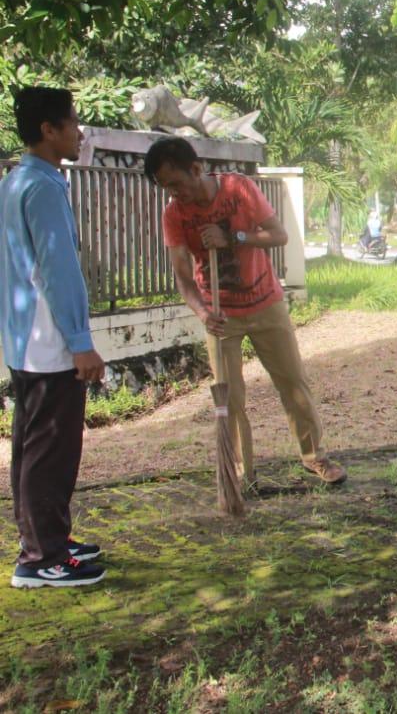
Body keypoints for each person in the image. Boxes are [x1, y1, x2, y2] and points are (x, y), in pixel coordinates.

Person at [143, 137, 346, 486]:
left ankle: (315, 456)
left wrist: (234, 238)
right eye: (166, 188)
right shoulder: (174, 215)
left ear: (196, 169)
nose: (174, 194)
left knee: (293, 382)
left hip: (266, 303)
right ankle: (241, 473)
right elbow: (183, 278)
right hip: (220, 316)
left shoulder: (238, 188)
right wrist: (203, 313)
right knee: (230, 399)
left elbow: (279, 235)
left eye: (176, 183)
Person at [3, 87, 107, 588]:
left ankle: (46, 541)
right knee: (52, 450)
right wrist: (80, 341)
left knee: (31, 445)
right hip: (49, 341)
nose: (79, 132)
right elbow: (57, 270)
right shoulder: (42, 189)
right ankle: (42, 558)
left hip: (24, 337)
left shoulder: (18, 181)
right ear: (49, 130)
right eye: (73, 122)